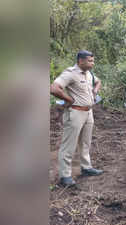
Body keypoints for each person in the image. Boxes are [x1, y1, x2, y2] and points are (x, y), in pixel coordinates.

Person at [50, 50, 103, 187]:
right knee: (69, 145)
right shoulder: (70, 73)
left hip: (88, 112)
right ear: (80, 61)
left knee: (85, 143)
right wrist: (69, 99)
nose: (93, 63)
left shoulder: (89, 74)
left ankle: (86, 168)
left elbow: (98, 82)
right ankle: (65, 175)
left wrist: (95, 90)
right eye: (90, 61)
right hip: (75, 112)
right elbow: (54, 88)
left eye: (93, 60)